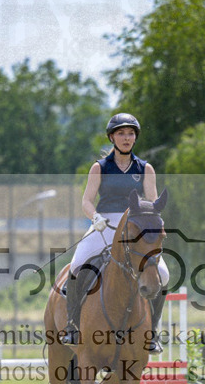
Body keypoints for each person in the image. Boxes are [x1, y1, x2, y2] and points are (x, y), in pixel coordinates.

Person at [64, 113, 170, 352]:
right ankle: (72, 326)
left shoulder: (145, 168)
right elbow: (86, 201)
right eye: (121, 133)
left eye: (130, 133)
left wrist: (153, 221)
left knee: (163, 274)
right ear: (112, 137)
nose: (126, 138)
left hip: (136, 225)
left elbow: (152, 201)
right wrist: (95, 217)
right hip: (105, 223)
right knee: (77, 264)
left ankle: (151, 333)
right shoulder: (99, 167)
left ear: (135, 138)